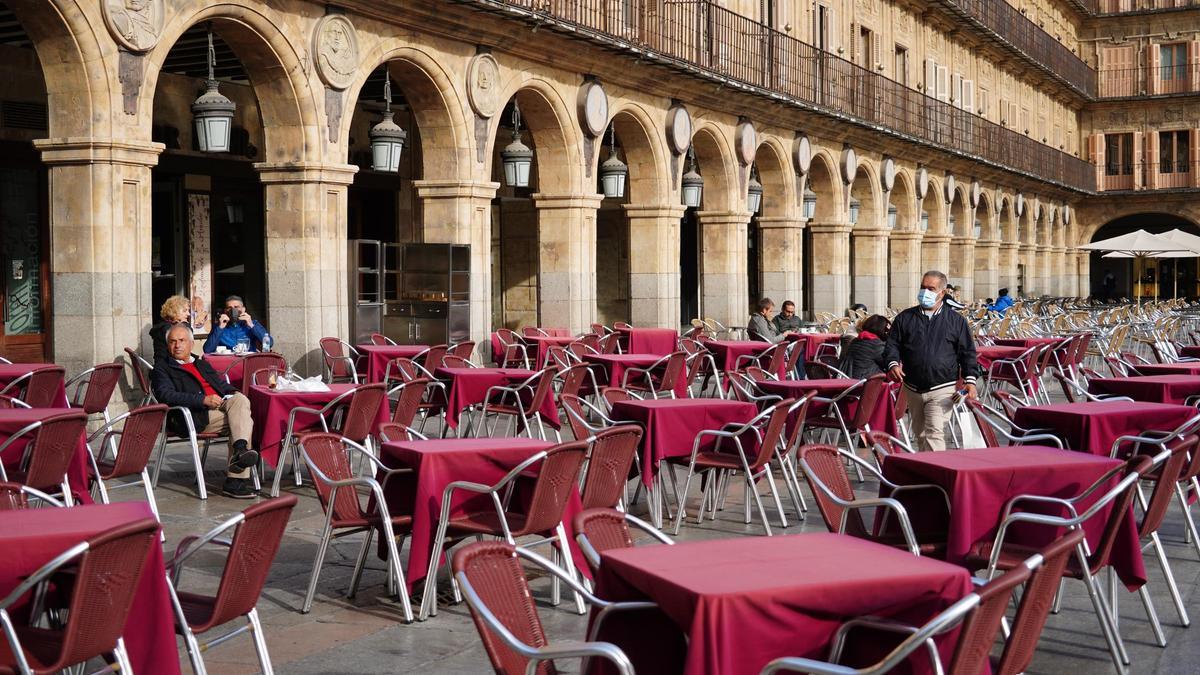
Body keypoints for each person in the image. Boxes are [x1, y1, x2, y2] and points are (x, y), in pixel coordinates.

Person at [152, 325, 260, 498]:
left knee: (240, 400)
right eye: (172, 342)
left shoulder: (201, 363)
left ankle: (240, 450)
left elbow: (220, 385)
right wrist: (202, 400)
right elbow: (166, 395)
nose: (177, 345)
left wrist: (233, 392)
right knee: (244, 421)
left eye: (182, 341)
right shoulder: (162, 368)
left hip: (219, 406)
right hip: (193, 415)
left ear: (191, 343)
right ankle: (235, 479)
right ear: (167, 345)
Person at [883, 270, 979, 452]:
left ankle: (939, 475)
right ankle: (926, 472)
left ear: (942, 292)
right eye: (922, 287)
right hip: (912, 387)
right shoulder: (905, 318)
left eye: (931, 288)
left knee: (934, 433)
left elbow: (967, 353)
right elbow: (892, 345)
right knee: (920, 434)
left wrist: (970, 381)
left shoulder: (956, 321)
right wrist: (893, 363)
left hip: (942, 387)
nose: (925, 292)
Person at [203, 295, 271, 354]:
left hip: (247, 361)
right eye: (229, 308)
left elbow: (269, 343)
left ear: (243, 309)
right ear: (225, 310)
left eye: (236, 307)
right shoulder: (219, 326)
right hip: (227, 363)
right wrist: (220, 328)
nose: (233, 310)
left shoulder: (253, 324)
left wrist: (251, 325)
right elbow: (207, 350)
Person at [149, 295, 191, 362]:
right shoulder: (168, 329)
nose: (188, 314)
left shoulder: (164, 326)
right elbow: (188, 337)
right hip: (169, 367)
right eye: (185, 311)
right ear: (174, 311)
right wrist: (185, 325)